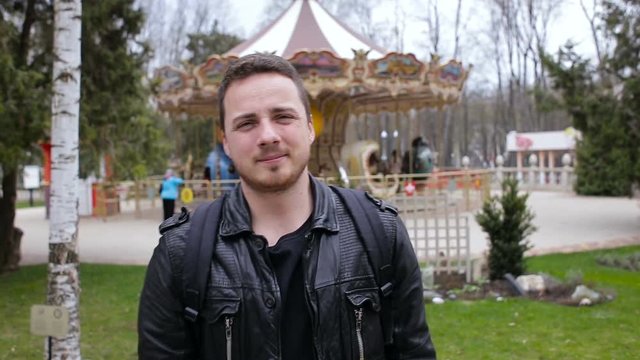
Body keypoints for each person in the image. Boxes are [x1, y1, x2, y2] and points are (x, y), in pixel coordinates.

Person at [138, 53, 436, 359]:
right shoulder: (181, 253)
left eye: (283, 116)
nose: (267, 136)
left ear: (310, 128)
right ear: (226, 142)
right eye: (246, 123)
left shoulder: (379, 232)